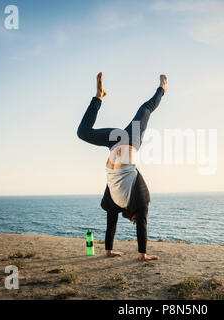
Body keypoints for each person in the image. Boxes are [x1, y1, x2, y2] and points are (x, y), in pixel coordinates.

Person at [77, 72, 167, 261]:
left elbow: (141, 223)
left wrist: (143, 254)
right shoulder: (116, 198)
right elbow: (112, 222)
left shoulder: (133, 199)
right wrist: (109, 250)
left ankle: (161, 89)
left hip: (127, 142)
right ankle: (98, 97)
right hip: (117, 143)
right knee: (83, 133)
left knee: (146, 108)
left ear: (132, 211)